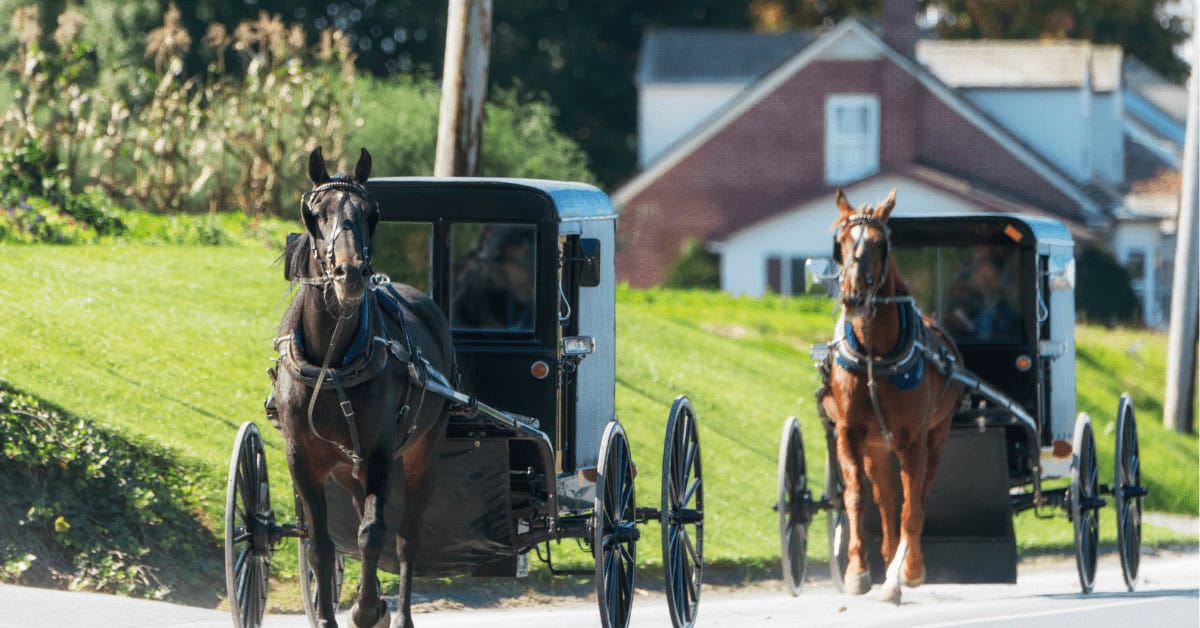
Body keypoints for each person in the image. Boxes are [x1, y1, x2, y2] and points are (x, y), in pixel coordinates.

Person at [451, 225, 536, 331]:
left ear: (528, 267)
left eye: (508, 260)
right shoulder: (495, 299)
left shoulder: (540, 313)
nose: (503, 266)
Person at [946, 246, 1020, 342]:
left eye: (987, 279)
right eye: (980, 276)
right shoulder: (965, 307)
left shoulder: (1010, 317)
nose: (980, 282)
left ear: (998, 279)